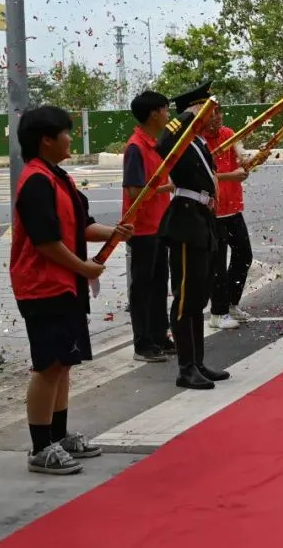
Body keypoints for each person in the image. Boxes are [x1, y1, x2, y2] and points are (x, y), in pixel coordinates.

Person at [10, 106, 133, 475]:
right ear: (46, 140)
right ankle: (39, 446)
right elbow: (47, 242)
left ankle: (58, 435)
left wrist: (115, 232)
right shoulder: (35, 181)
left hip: (65, 284)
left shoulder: (59, 177)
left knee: (64, 363)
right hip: (43, 285)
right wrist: (85, 267)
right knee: (47, 365)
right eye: (65, 132)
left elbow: (81, 226)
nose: (71, 138)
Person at [158, 80, 230, 389]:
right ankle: (185, 368)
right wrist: (188, 114)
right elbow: (163, 143)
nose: (212, 114)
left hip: (203, 217)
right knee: (185, 296)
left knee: (198, 293)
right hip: (186, 218)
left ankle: (198, 362)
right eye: (206, 108)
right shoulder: (180, 139)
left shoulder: (198, 142)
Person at [122, 90, 177, 362]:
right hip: (142, 228)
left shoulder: (154, 143)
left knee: (158, 284)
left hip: (159, 225)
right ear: (154, 113)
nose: (168, 115)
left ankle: (159, 335)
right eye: (166, 110)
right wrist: (167, 187)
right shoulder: (136, 146)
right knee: (143, 287)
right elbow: (134, 191)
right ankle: (142, 343)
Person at [202, 101, 252, 329]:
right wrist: (230, 176)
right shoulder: (199, 141)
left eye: (219, 112)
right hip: (213, 211)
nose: (217, 117)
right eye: (212, 114)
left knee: (244, 254)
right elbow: (206, 176)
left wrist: (248, 163)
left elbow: (242, 160)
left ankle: (231, 302)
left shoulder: (229, 134)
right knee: (218, 263)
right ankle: (218, 311)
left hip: (233, 208)